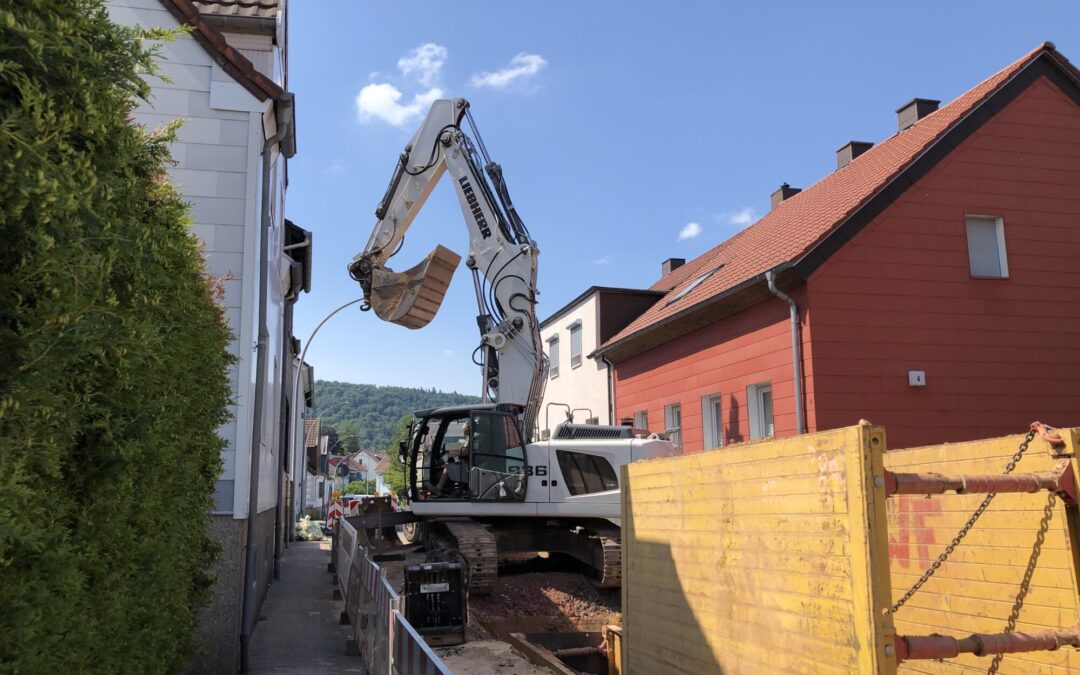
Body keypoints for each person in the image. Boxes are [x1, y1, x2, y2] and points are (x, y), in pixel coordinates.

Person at [430, 419, 471, 495]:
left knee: (448, 468)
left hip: (468, 465)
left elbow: (464, 452)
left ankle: (439, 487)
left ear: (469, 428)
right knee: (446, 465)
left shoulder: (471, 438)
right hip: (467, 462)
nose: (463, 431)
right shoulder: (469, 438)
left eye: (464, 429)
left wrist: (453, 454)